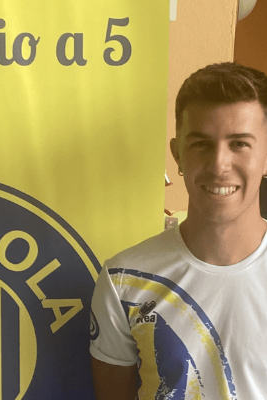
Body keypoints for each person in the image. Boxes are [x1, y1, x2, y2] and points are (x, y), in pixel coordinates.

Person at [90, 62, 267, 399]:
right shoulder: (123, 280)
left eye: (239, 144)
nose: (219, 164)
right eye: (201, 144)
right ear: (178, 154)